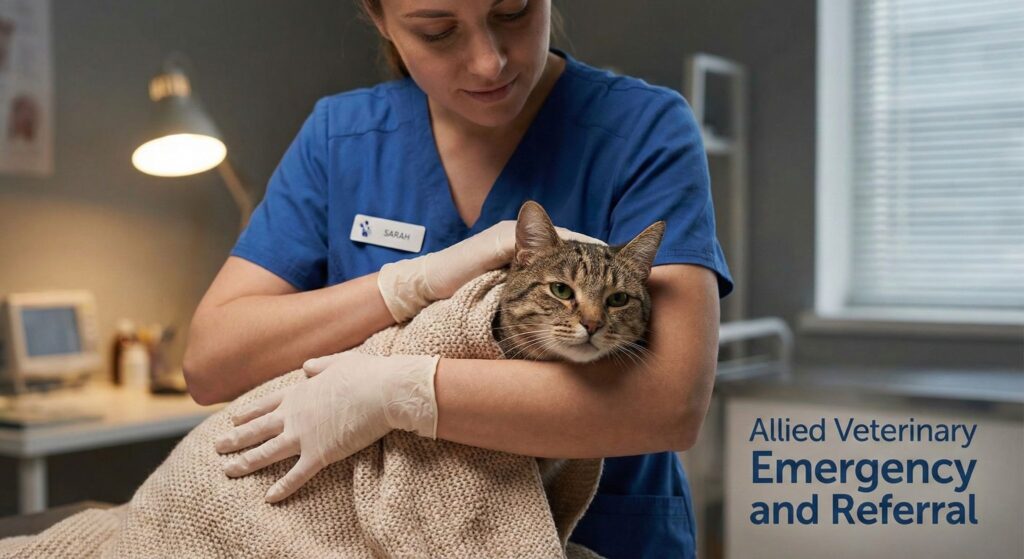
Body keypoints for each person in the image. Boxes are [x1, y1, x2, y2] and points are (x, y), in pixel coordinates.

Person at [183, 1, 733, 557]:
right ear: (380, 20)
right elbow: (212, 363)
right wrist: (412, 282)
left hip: (606, 536)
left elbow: (669, 404)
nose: (489, 62)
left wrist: (397, 392)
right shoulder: (342, 136)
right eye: (438, 31)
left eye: (514, 11)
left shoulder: (642, 130)